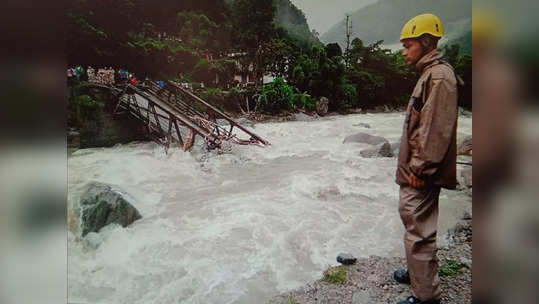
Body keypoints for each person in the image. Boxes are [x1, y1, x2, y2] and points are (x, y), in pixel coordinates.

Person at [393, 13, 458, 304]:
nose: (405, 52)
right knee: (414, 221)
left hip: (422, 170)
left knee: (419, 228)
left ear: (426, 41)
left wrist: (421, 167)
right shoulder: (430, 74)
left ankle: (426, 297)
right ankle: (418, 273)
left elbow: (435, 130)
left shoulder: (440, 77)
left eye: (408, 46)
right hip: (416, 168)